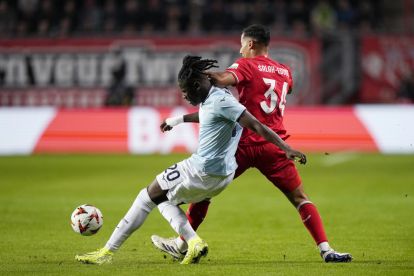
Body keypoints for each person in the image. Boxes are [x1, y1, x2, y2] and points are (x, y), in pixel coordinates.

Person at [75, 55, 306, 265]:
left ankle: (107, 252)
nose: (184, 96)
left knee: (145, 197)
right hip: (221, 175)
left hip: (200, 170)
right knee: (164, 201)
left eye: (185, 92)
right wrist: (178, 120)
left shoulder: (221, 101)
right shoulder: (217, 97)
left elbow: (256, 125)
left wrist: (285, 148)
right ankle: (192, 242)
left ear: (196, 85)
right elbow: (208, 114)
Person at [151, 24, 352, 263]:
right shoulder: (285, 71)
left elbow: (224, 79)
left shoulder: (245, 65)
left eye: (242, 44)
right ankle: (327, 250)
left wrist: (201, 75)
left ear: (251, 44)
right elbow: (286, 89)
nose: (240, 49)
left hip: (242, 146)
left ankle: (183, 244)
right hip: (274, 145)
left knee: (205, 191)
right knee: (300, 198)